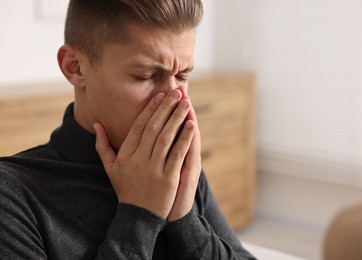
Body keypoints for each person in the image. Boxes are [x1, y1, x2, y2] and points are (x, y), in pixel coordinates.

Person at [0, 0, 256, 259]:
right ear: (74, 66)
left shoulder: (174, 168)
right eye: (145, 76)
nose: (176, 98)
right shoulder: (12, 196)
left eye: (182, 76)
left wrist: (185, 220)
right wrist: (140, 215)